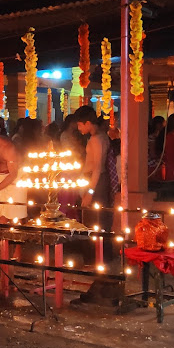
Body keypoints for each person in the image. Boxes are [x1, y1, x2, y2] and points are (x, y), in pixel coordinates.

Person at [75, 105, 115, 264]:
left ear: (87, 123)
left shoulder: (97, 139)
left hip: (96, 182)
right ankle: (99, 258)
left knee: (94, 221)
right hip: (95, 181)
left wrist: (90, 192)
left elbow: (98, 167)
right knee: (97, 220)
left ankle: (95, 259)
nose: (78, 128)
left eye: (79, 125)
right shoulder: (100, 137)